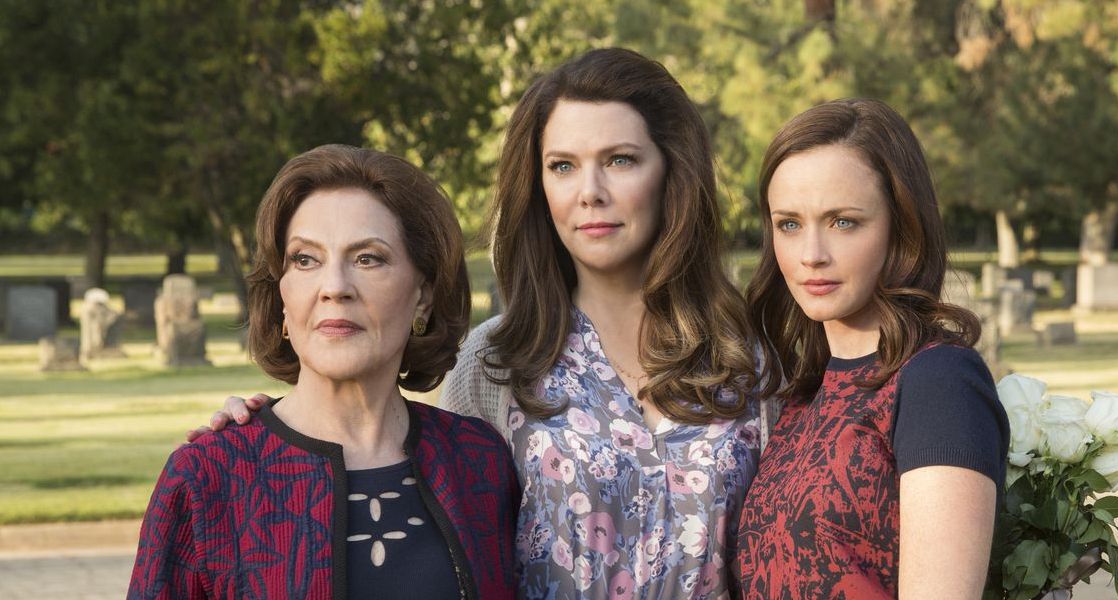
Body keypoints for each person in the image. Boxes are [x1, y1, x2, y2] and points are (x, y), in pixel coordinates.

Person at [197, 48, 764, 598]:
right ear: (538, 187)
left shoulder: (750, 357)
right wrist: (267, 432)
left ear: (671, 171)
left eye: (620, 160)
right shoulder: (495, 362)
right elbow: (433, 518)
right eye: (562, 166)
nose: (590, 193)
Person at [130, 145, 519, 599]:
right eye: (305, 259)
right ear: (281, 295)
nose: (334, 287)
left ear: (424, 295)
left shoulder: (480, 460)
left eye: (367, 258)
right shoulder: (207, 477)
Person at [734, 98, 1009, 599]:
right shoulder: (806, 391)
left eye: (843, 221)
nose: (811, 255)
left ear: (900, 226)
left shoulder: (938, 381)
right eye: (789, 224)